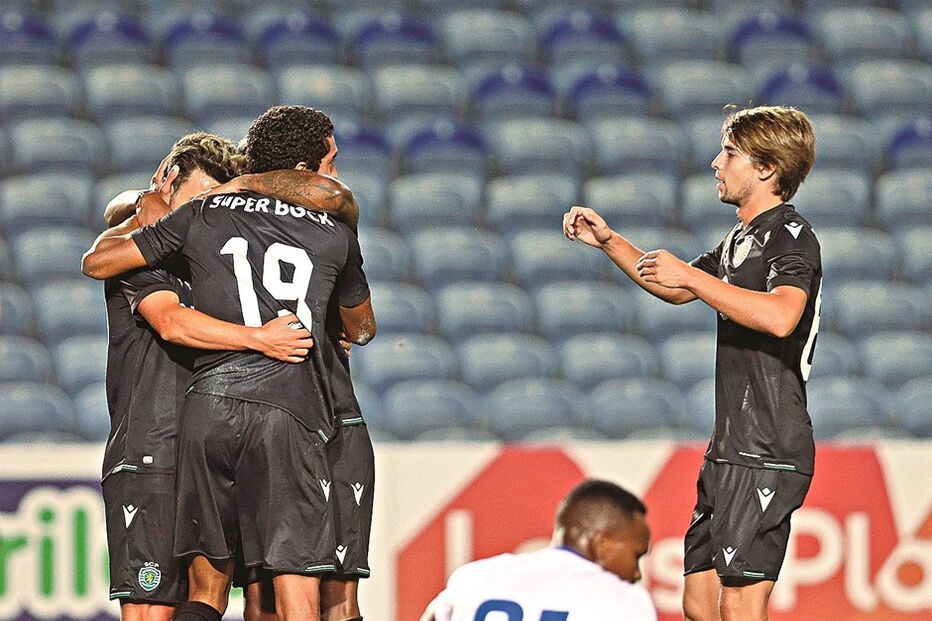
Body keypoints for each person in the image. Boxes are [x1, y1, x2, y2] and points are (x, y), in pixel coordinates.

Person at [82, 105, 376, 621]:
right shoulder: (151, 253)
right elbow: (166, 318)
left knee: (227, 592)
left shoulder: (208, 228)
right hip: (161, 447)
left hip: (210, 424)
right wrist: (261, 339)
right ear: (165, 183)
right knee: (167, 603)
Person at [563, 105, 821, 621]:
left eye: (729, 153)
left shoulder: (790, 236)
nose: (715, 163)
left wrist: (696, 278)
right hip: (731, 445)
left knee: (741, 605)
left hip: (767, 443)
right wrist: (610, 242)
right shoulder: (739, 240)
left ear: (766, 168)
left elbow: (782, 316)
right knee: (699, 602)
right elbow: (676, 288)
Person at [421, 479, 656, 621]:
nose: (637, 573)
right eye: (636, 555)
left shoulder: (473, 577)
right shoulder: (624, 600)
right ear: (601, 543)